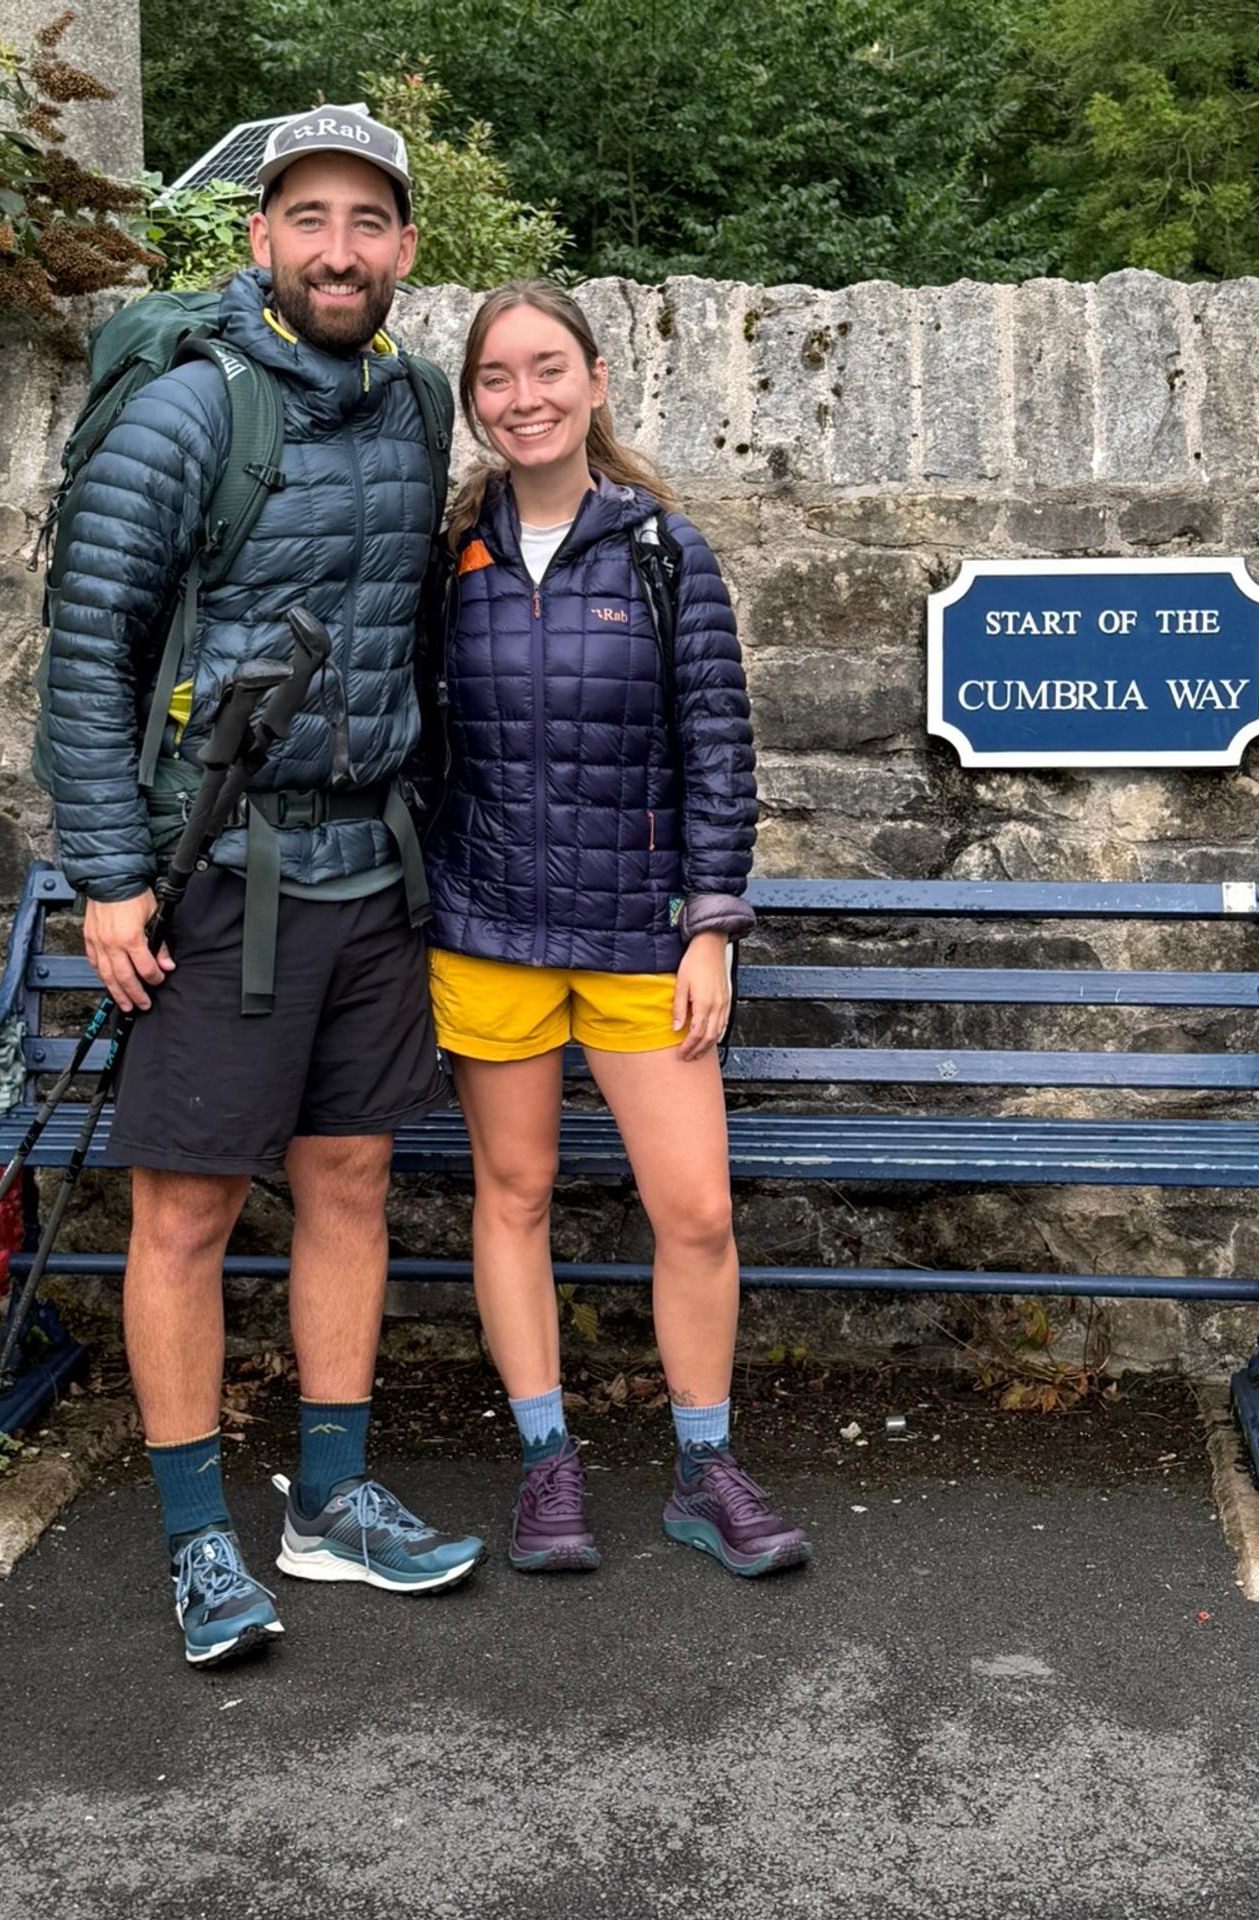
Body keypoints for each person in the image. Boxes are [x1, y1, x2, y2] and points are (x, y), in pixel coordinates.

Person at [44, 104, 481, 1668]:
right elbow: (87, 653)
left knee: (350, 1181)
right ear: (260, 239)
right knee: (187, 1209)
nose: (340, 250)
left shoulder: (419, 403)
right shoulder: (186, 415)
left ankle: (335, 1501)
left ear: (406, 250)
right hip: (221, 873)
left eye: (369, 222)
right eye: (311, 220)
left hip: (371, 869)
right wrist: (110, 877)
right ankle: (196, 1541)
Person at [422, 284, 810, 1579]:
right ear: (476, 401)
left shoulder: (662, 552)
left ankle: (706, 1469)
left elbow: (719, 751)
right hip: (487, 932)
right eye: (496, 377)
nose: (522, 397)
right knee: (514, 1195)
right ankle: (547, 1462)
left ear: (595, 380)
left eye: (547, 370)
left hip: (643, 940)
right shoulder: (451, 553)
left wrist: (712, 928)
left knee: (695, 1211)